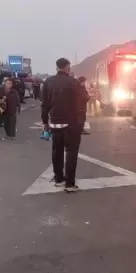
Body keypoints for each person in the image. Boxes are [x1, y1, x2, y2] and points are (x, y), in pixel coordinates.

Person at [41, 58, 85, 193]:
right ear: (67, 67)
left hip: (54, 122)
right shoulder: (73, 82)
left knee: (57, 151)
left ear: (56, 67)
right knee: (71, 152)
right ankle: (70, 183)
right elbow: (85, 97)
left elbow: (44, 104)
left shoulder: (48, 82)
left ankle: (59, 179)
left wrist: (45, 122)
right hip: (71, 123)